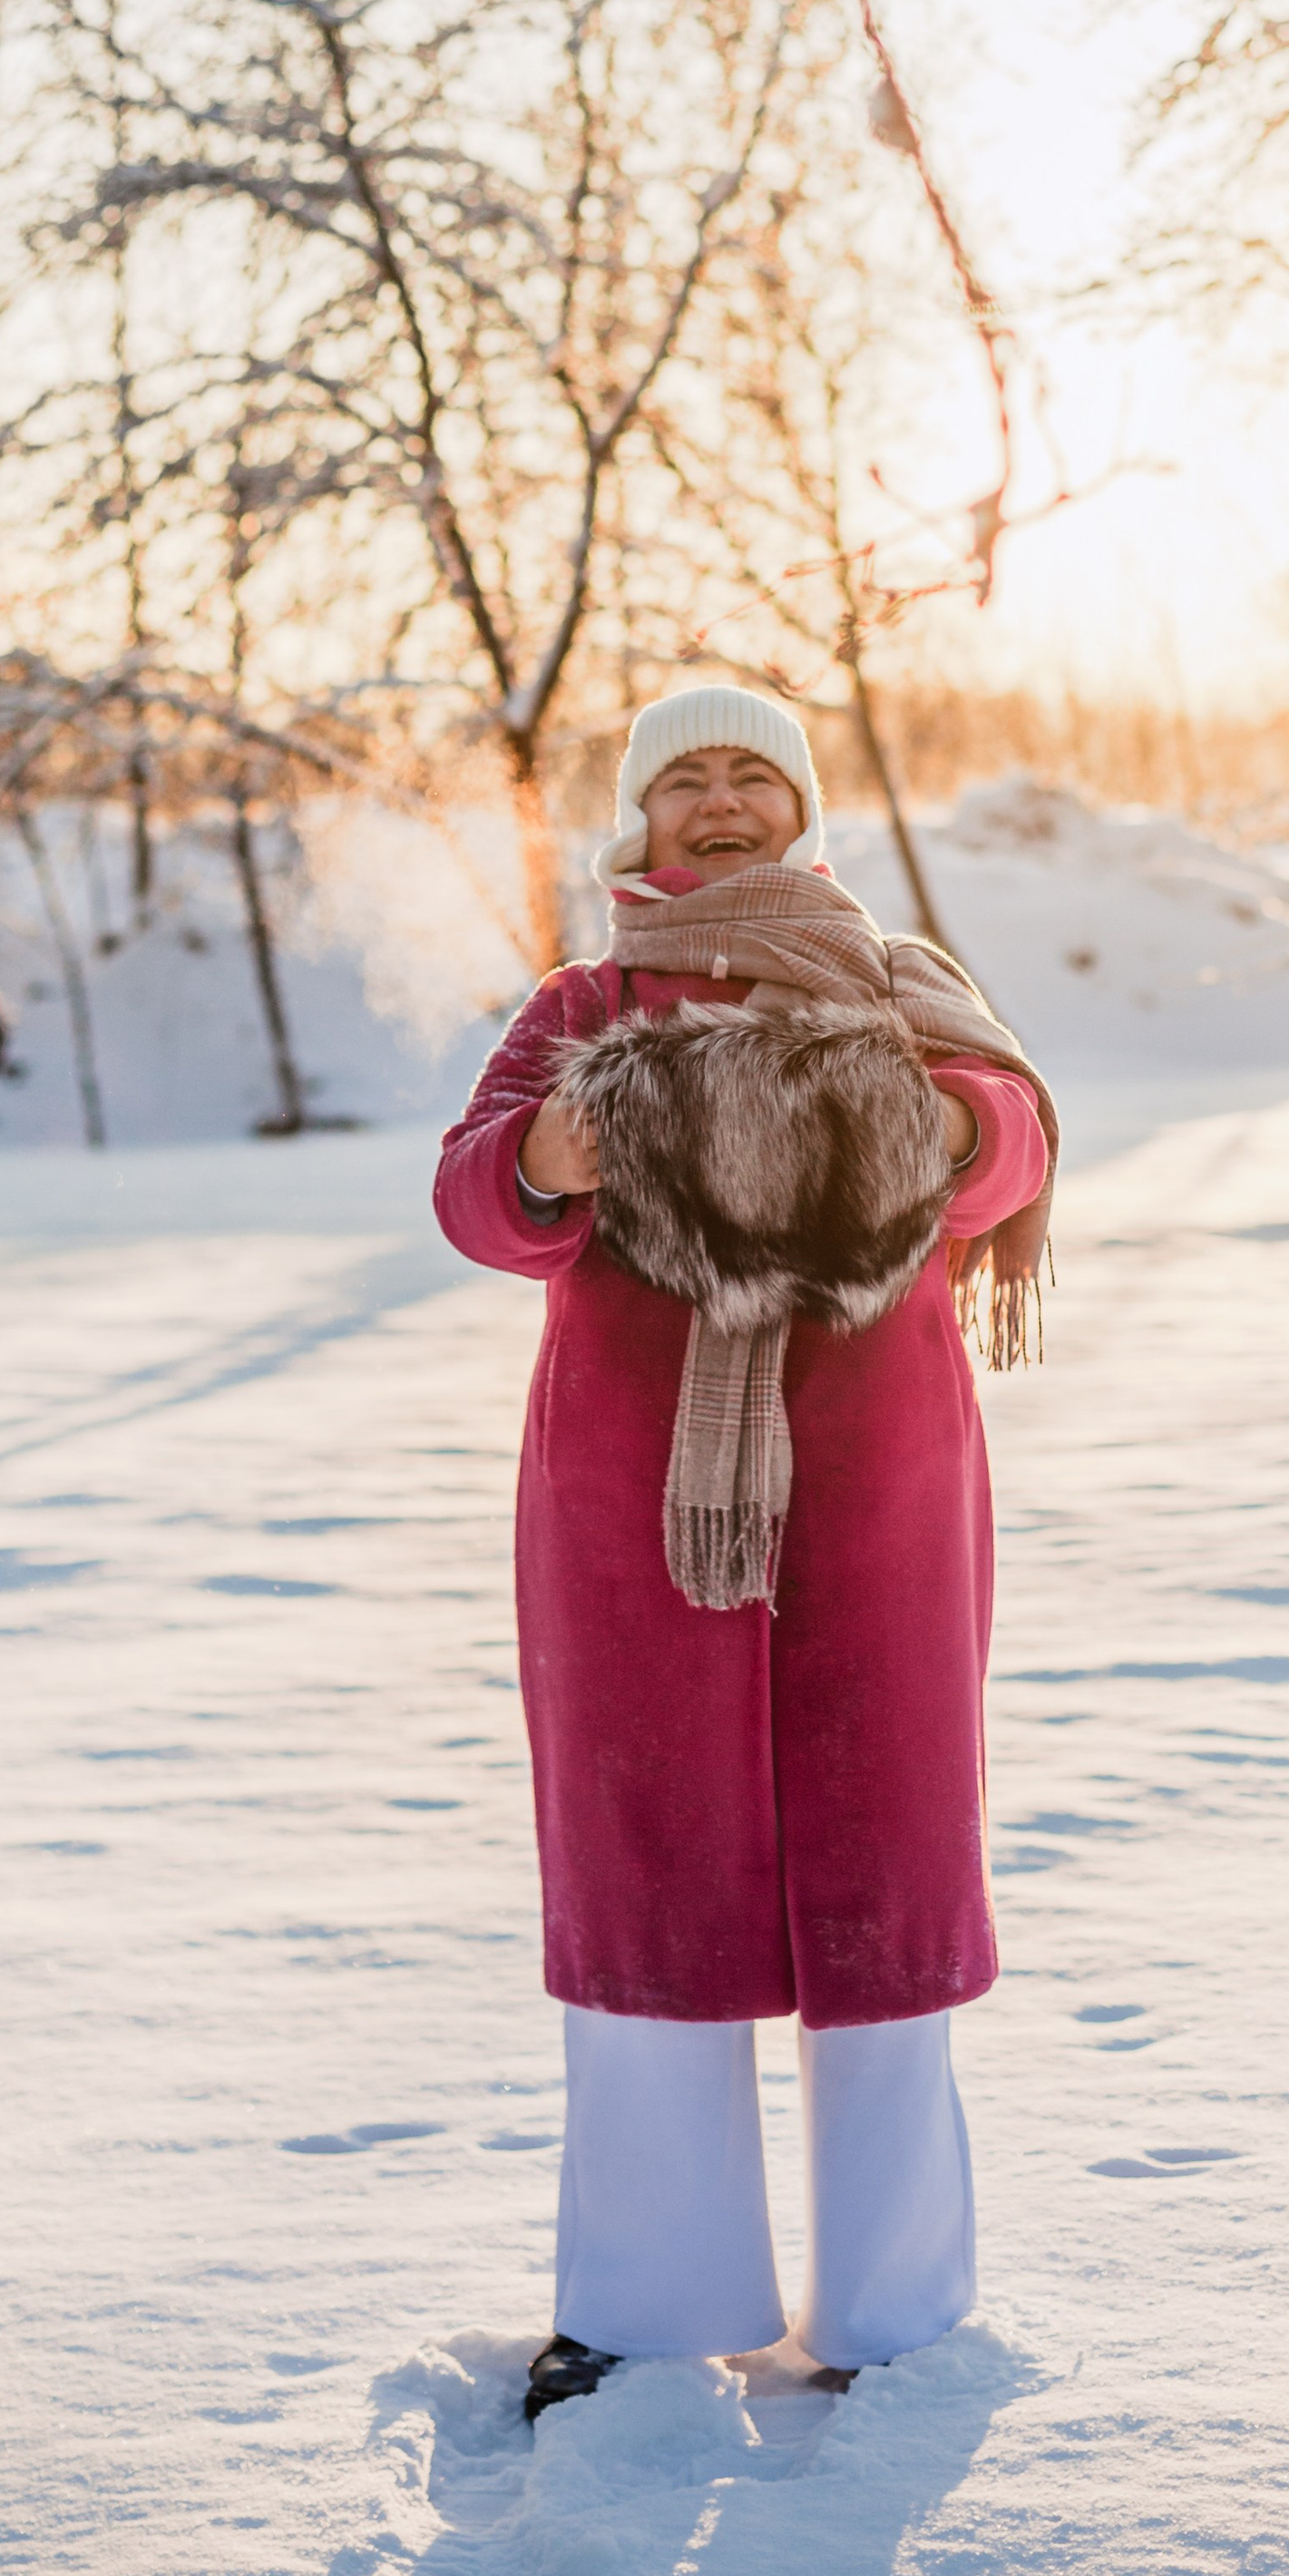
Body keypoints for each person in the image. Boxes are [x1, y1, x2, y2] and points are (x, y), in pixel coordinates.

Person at [433, 684, 1053, 2421]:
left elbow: (1012, 1140)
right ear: (635, 820)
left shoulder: (894, 973)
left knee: (885, 1864)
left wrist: (930, 1130)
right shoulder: (583, 1002)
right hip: (638, 1508)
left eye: (750, 776)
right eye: (682, 778)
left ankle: (894, 2307)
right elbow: (476, 1195)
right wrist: (565, 1142)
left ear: (803, 811)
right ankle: (643, 2307)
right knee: (652, 1865)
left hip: (882, 1492)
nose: (717, 802)